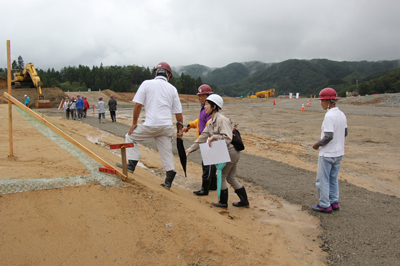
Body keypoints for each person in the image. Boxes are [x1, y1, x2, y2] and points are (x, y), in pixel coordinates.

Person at [123, 62, 183, 190]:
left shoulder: (146, 83)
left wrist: (134, 123)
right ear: (168, 75)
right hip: (166, 127)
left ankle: (132, 163)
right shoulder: (172, 89)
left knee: (130, 136)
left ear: (156, 72)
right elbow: (178, 113)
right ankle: (169, 178)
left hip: (151, 124)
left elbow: (138, 105)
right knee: (166, 151)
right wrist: (180, 130)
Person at [185, 94, 249, 208]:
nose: (204, 107)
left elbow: (228, 138)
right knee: (230, 177)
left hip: (231, 152)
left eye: (206, 104)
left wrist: (214, 137)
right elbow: (202, 138)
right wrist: (189, 150)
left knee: (222, 176)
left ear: (214, 106)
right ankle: (244, 201)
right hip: (230, 153)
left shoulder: (221, 120)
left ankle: (223, 202)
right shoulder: (211, 122)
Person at [312, 87, 348, 213]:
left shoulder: (329, 116)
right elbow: (345, 132)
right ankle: (334, 202)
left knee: (322, 180)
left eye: (322, 100)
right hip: (338, 153)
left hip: (327, 153)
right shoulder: (341, 114)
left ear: (328, 101)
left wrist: (317, 144)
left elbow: (328, 136)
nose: (320, 103)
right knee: (333, 178)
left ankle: (324, 204)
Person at [182, 84, 217, 196]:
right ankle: (213, 185)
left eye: (203, 96)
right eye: (199, 96)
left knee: (208, 165)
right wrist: (189, 126)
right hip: (204, 141)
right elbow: (199, 121)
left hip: (209, 142)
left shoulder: (211, 111)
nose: (201, 98)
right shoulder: (204, 109)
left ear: (209, 96)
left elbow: (208, 125)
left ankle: (204, 189)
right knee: (208, 164)